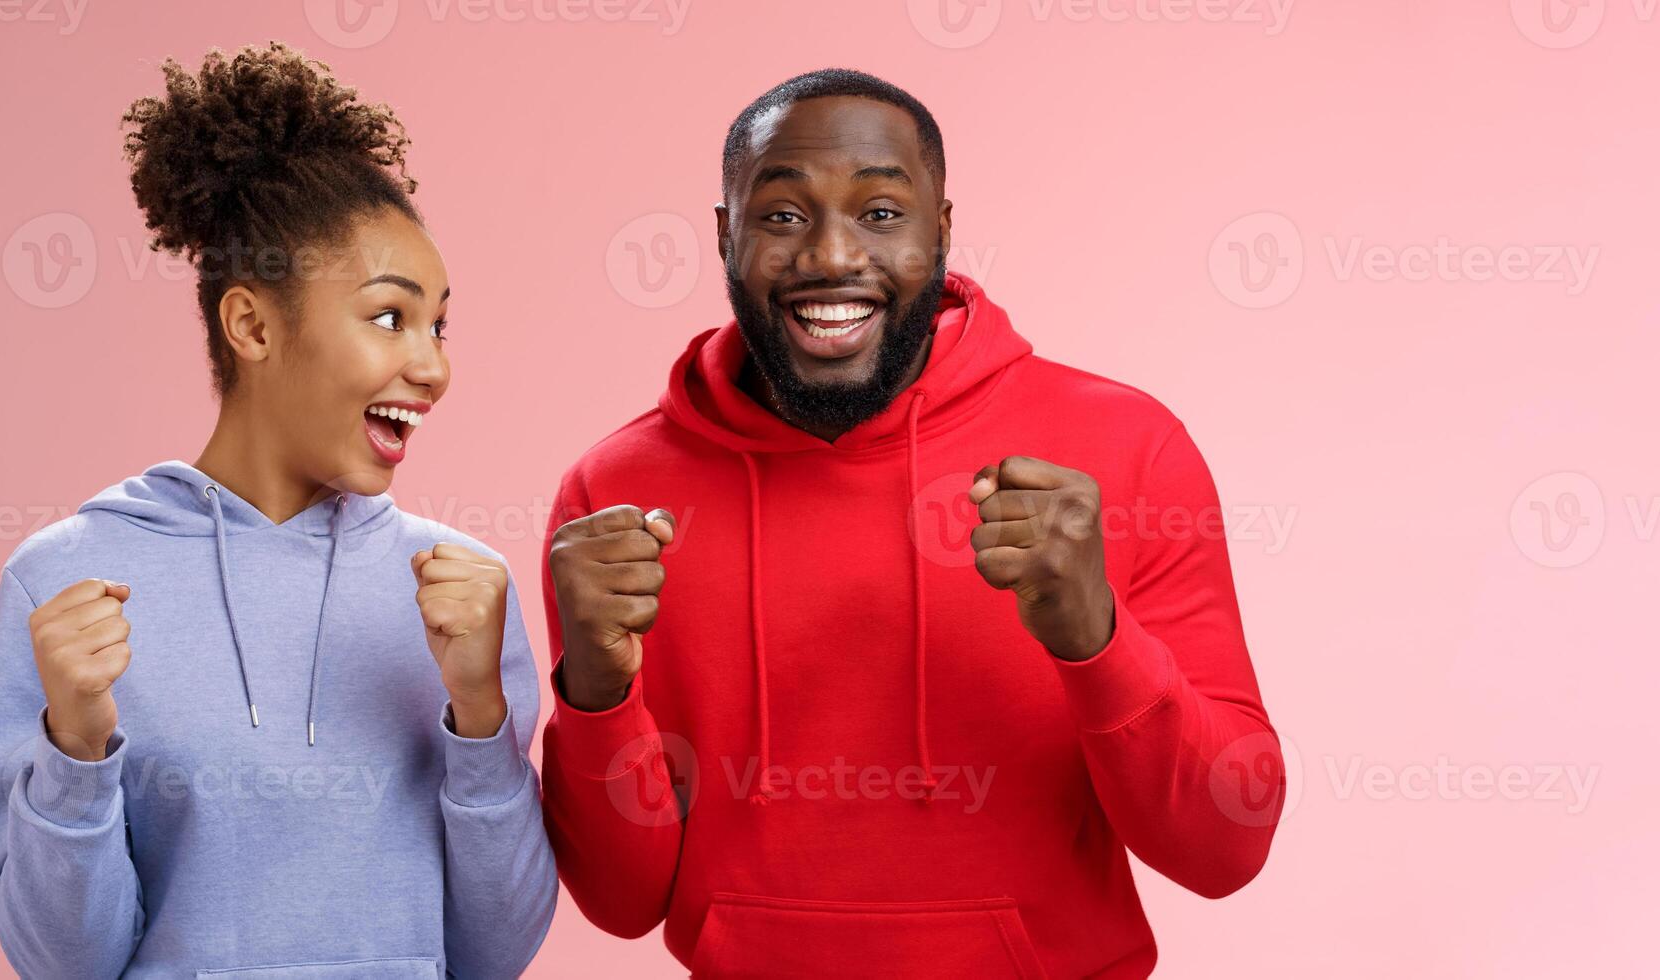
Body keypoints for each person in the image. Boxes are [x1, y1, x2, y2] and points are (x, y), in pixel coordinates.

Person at [537, 68, 1282, 978]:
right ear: (726, 236)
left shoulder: (1127, 450)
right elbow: (619, 905)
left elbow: (1223, 851)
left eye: (882, 213)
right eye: (782, 216)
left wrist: (1098, 637)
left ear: (943, 228)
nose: (833, 256)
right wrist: (595, 692)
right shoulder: (616, 494)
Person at [0, 43, 554, 979]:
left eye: (440, 325)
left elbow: (496, 953)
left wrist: (480, 715)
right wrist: (76, 745)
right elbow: (65, 966)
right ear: (252, 326)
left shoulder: (463, 593)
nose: (435, 366)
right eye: (388, 318)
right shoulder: (67, 578)